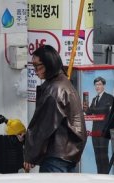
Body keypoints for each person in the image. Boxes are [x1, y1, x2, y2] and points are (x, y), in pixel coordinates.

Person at [22, 45, 87, 173]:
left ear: (49, 64)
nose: (35, 71)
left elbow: (44, 127)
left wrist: (31, 155)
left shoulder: (54, 90)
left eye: (37, 66)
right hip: (68, 154)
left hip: (56, 156)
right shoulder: (64, 84)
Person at [85, 76, 113, 174]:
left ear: (103, 85)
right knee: (97, 155)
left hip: (104, 131)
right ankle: (99, 174)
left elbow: (103, 110)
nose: (97, 87)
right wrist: (85, 107)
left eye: (99, 84)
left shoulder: (109, 97)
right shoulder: (94, 99)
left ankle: (105, 174)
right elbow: (89, 113)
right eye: (96, 85)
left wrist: (91, 110)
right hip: (95, 131)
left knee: (103, 155)